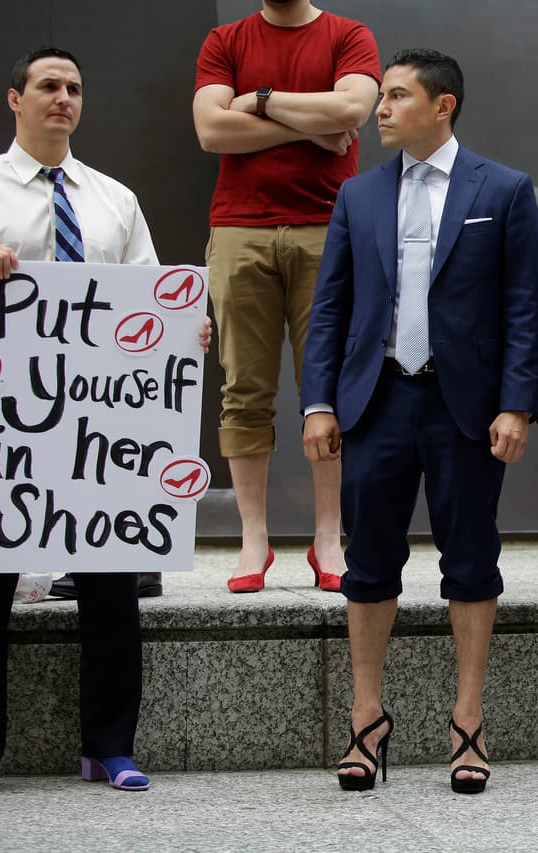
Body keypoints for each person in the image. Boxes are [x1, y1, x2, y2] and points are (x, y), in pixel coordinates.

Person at [0, 46, 210, 799]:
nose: (64, 98)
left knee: (111, 581)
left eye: (75, 89)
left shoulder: (113, 199)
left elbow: (153, 292)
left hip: (98, 417)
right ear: (14, 99)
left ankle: (110, 746)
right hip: (1, 415)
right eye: (49, 87)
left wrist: (188, 326)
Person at [300, 48, 538, 795]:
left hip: (464, 406)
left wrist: (516, 402)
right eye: (380, 96)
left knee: (470, 560)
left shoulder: (503, 190)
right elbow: (331, 308)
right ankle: (366, 718)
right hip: (376, 402)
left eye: (396, 95)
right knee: (368, 562)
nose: (380, 107)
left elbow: (523, 308)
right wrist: (317, 400)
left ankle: (467, 719)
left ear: (443, 106)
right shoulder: (359, 196)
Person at [193, 0, 380, 593]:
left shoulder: (347, 35)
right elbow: (211, 130)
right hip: (239, 228)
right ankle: (255, 539)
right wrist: (312, 125)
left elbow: (352, 108)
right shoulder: (224, 41)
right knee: (243, 387)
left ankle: (328, 536)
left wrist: (258, 100)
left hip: (330, 227)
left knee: (329, 388)